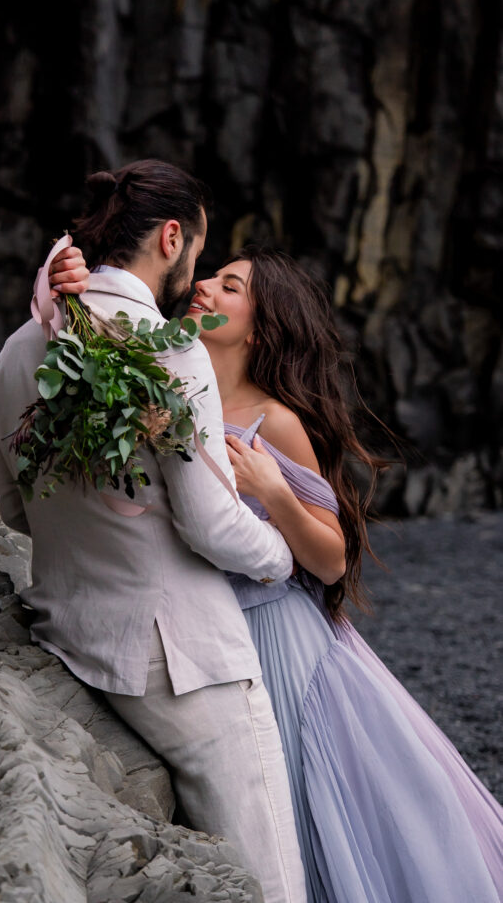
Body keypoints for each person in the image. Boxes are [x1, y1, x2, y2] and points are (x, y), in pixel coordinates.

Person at [0, 160, 307, 903]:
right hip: (185, 661)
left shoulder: (15, 349)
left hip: (70, 634)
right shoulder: (169, 347)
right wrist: (279, 557)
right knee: (271, 884)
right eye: (196, 248)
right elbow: (210, 523)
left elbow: (11, 508)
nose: (194, 266)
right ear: (171, 237)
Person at [188, 245, 503, 903]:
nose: (202, 287)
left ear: (261, 324)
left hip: (277, 637)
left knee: (302, 803)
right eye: (209, 276)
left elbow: (330, 557)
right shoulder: (181, 395)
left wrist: (272, 490)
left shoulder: (274, 419)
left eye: (228, 286)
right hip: (205, 626)